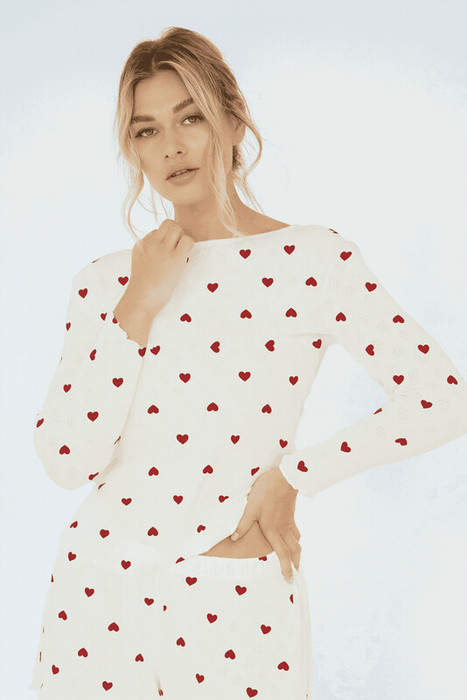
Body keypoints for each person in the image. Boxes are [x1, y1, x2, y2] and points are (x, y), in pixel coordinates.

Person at [29, 26, 467, 700]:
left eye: (191, 118)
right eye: (146, 130)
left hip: (232, 600)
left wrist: (294, 477)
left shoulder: (313, 259)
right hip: (97, 597)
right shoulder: (104, 282)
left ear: (233, 122)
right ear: (133, 149)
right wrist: (138, 303)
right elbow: (65, 460)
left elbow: (442, 398)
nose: (171, 146)